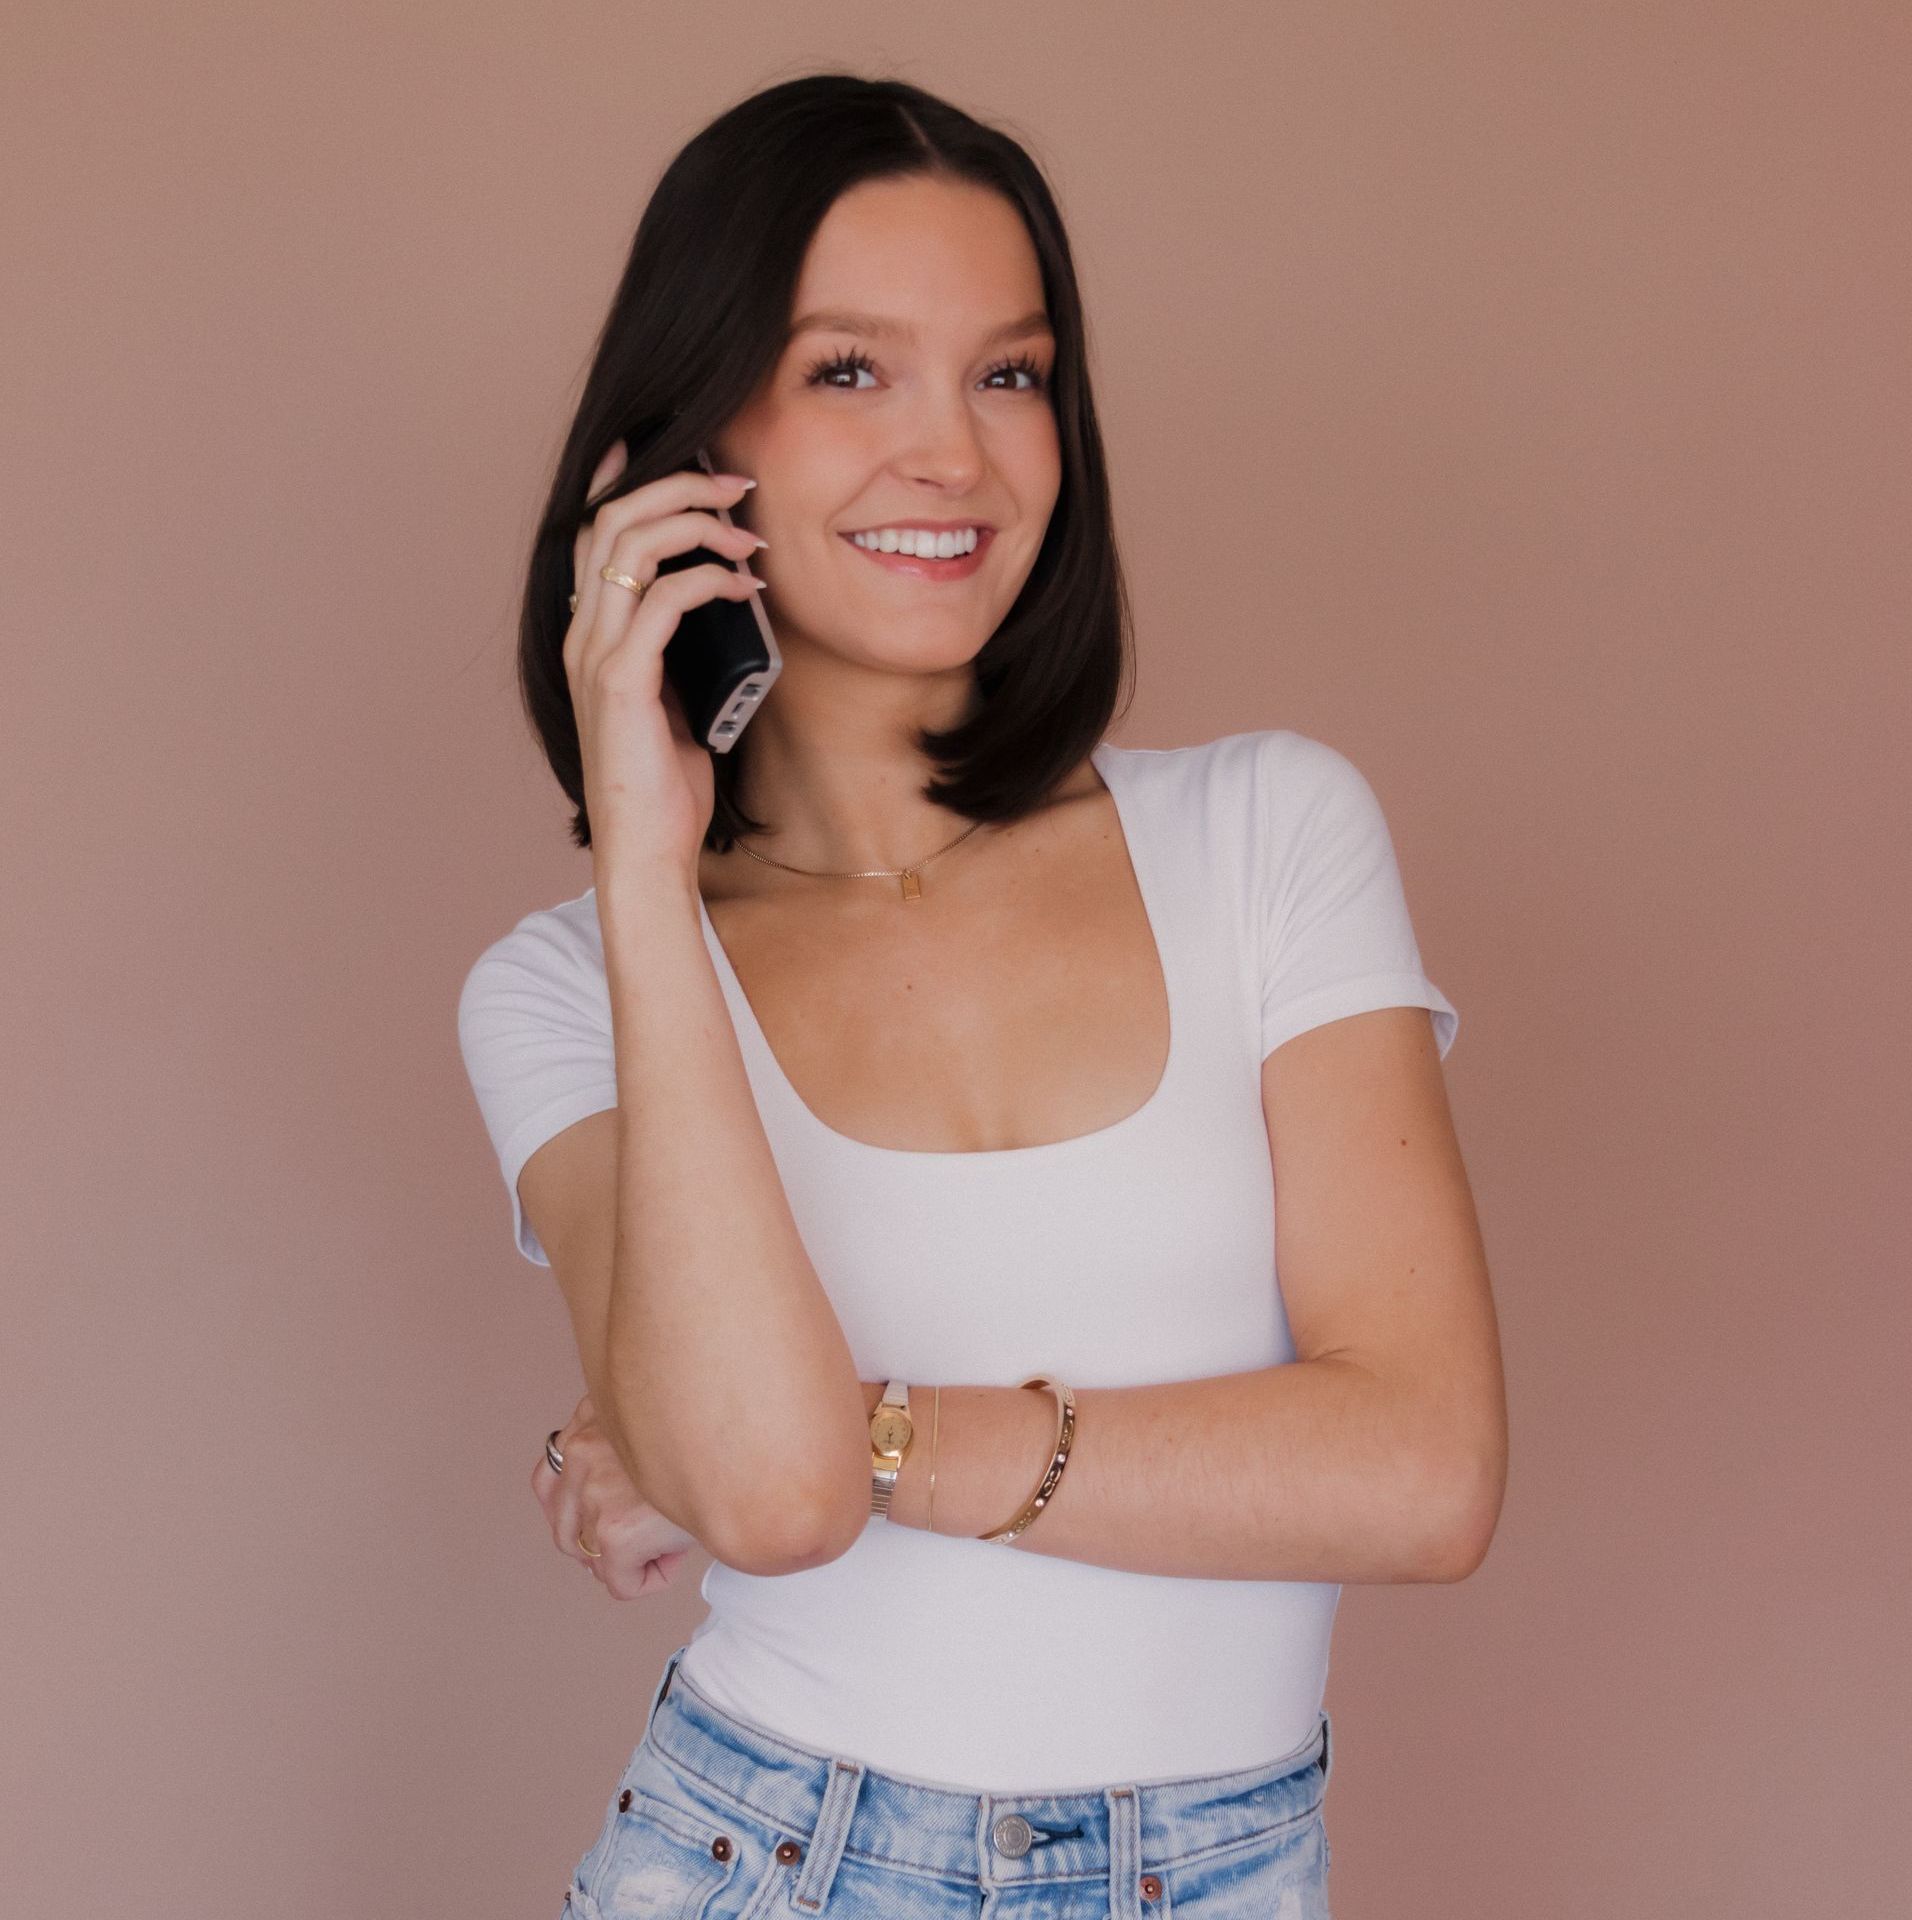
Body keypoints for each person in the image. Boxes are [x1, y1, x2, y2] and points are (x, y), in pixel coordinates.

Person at [457, 70, 1505, 1920]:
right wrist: (641, 858)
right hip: (772, 1861)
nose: (953, 455)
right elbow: (764, 1512)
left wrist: (867, 1430)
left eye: (1008, 374)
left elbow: (1421, 1469)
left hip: (1232, 1869)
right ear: (690, 444)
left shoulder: (1268, 832)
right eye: (850, 370)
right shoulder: (569, 986)